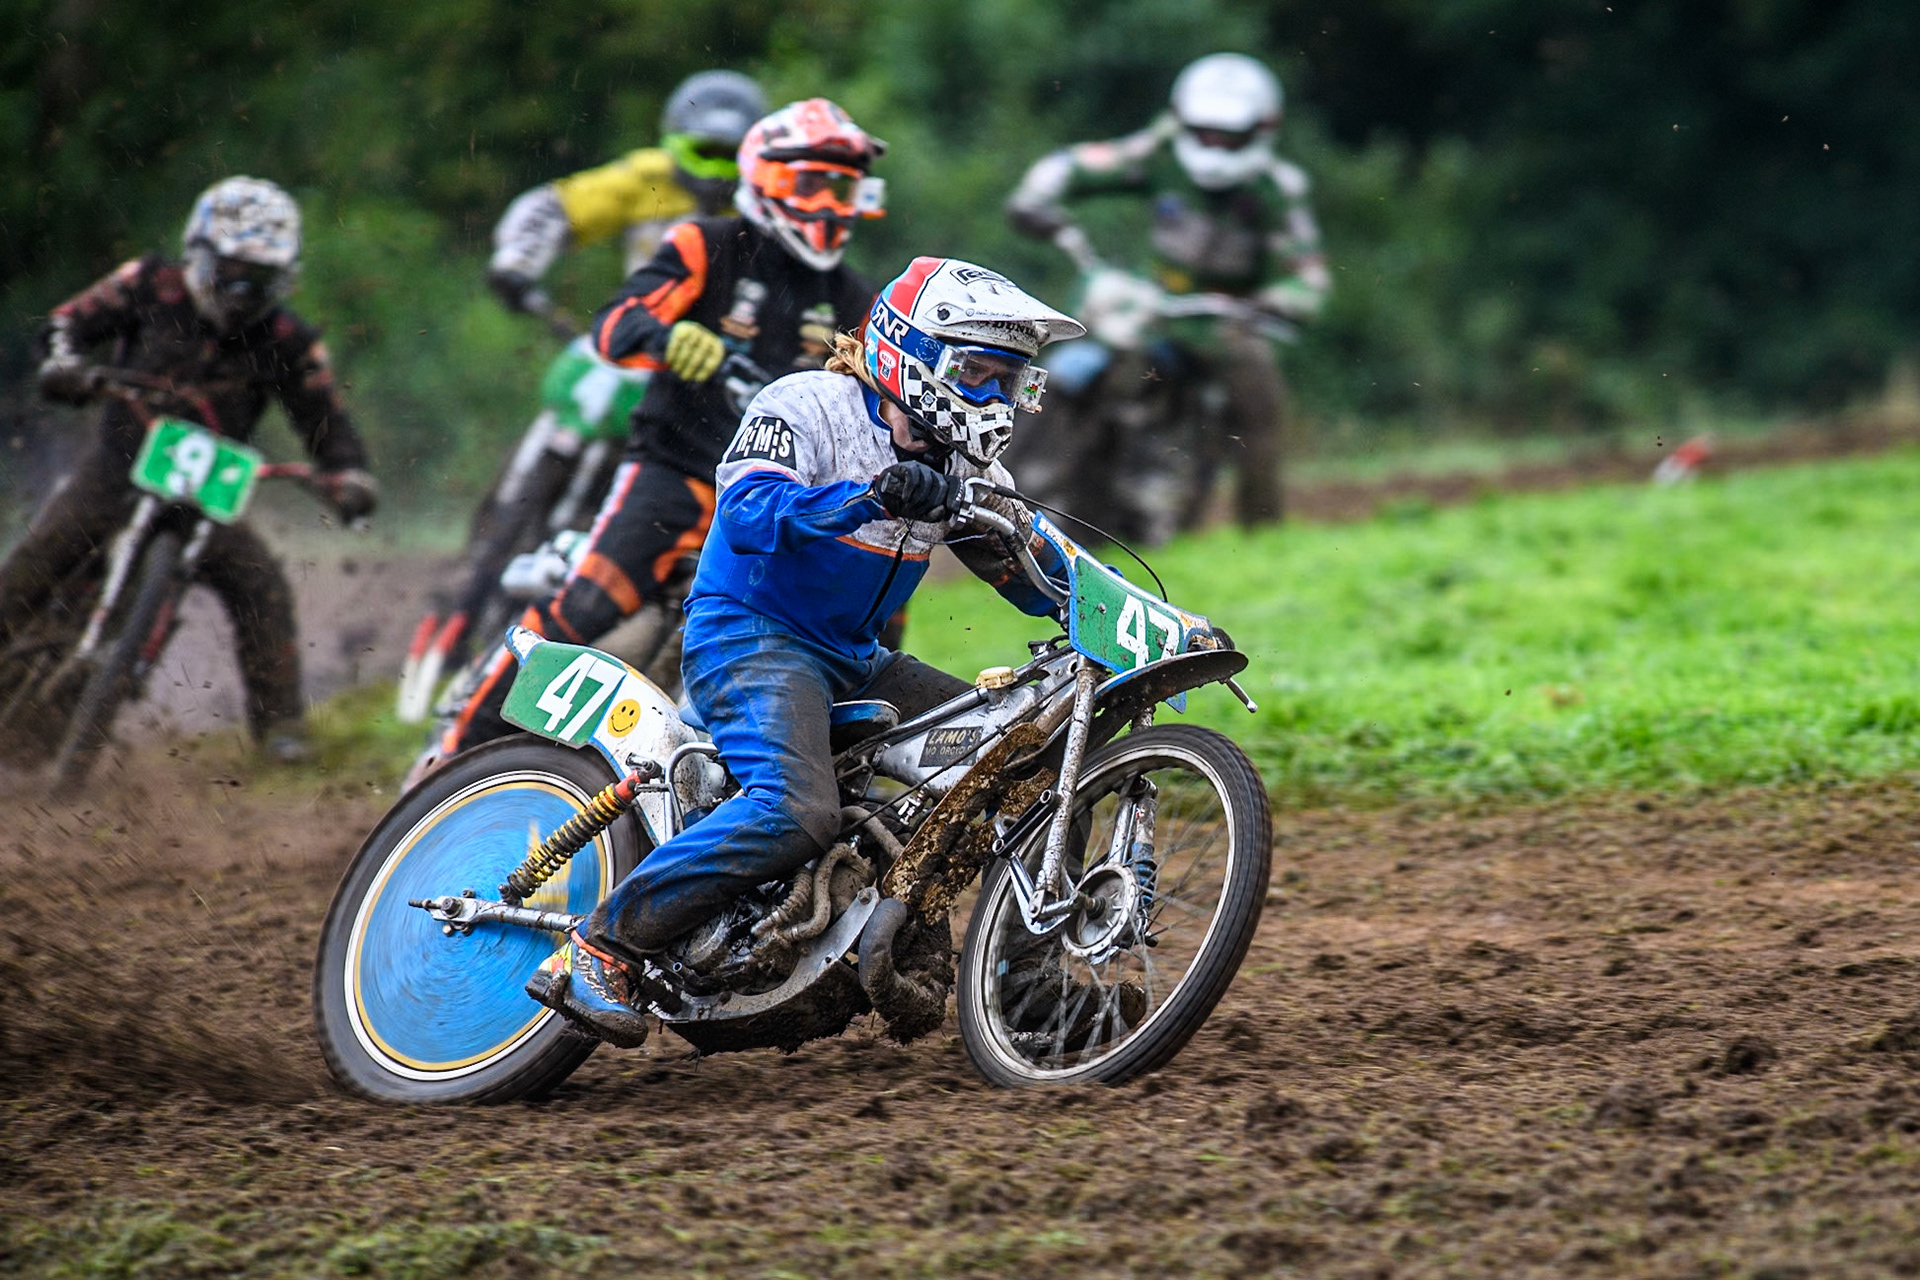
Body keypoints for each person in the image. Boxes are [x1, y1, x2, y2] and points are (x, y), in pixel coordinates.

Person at [525, 256, 1085, 1046]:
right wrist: (870, 494)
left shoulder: (970, 468)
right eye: (980, 373)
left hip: (853, 656)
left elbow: (1038, 569)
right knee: (797, 811)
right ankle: (603, 944)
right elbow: (749, 509)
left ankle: (1027, 997)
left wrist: (1142, 621)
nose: (995, 399)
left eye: (1012, 381)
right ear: (910, 353)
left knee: (1029, 768)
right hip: (748, 635)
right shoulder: (806, 404)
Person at [426, 98, 888, 765]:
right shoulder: (706, 244)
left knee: (857, 631)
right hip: (678, 471)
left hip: (777, 505)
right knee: (581, 609)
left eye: (846, 186)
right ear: (767, 179)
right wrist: (671, 337)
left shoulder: (855, 299)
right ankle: (450, 755)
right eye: (815, 182)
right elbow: (614, 327)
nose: (831, 203)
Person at [0, 176, 376, 762]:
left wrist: (348, 475)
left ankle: (281, 732)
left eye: (263, 280)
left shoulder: (288, 340)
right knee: (35, 562)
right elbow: (66, 323)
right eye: (233, 273)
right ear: (199, 255)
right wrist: (66, 365)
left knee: (262, 586)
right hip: (116, 470)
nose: (245, 292)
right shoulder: (149, 283)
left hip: (205, 496)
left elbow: (325, 418)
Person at [1005, 51, 1330, 525]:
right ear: (1183, 121)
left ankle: (1262, 527)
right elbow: (1077, 164)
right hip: (1152, 309)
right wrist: (1036, 200)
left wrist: (1278, 301)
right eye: (1204, 131)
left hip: (1226, 321)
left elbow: (1308, 274)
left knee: (1257, 400)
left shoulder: (1275, 190)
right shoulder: (1159, 151)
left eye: (1229, 135)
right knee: (1073, 362)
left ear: (1261, 129)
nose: (1214, 144)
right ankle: (1018, 482)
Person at [486, 70, 767, 317]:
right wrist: (516, 264)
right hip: (644, 330)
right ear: (676, 143)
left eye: (729, 155)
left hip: (746, 338)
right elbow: (551, 206)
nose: (716, 172)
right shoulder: (646, 176)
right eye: (703, 152)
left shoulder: (768, 192)